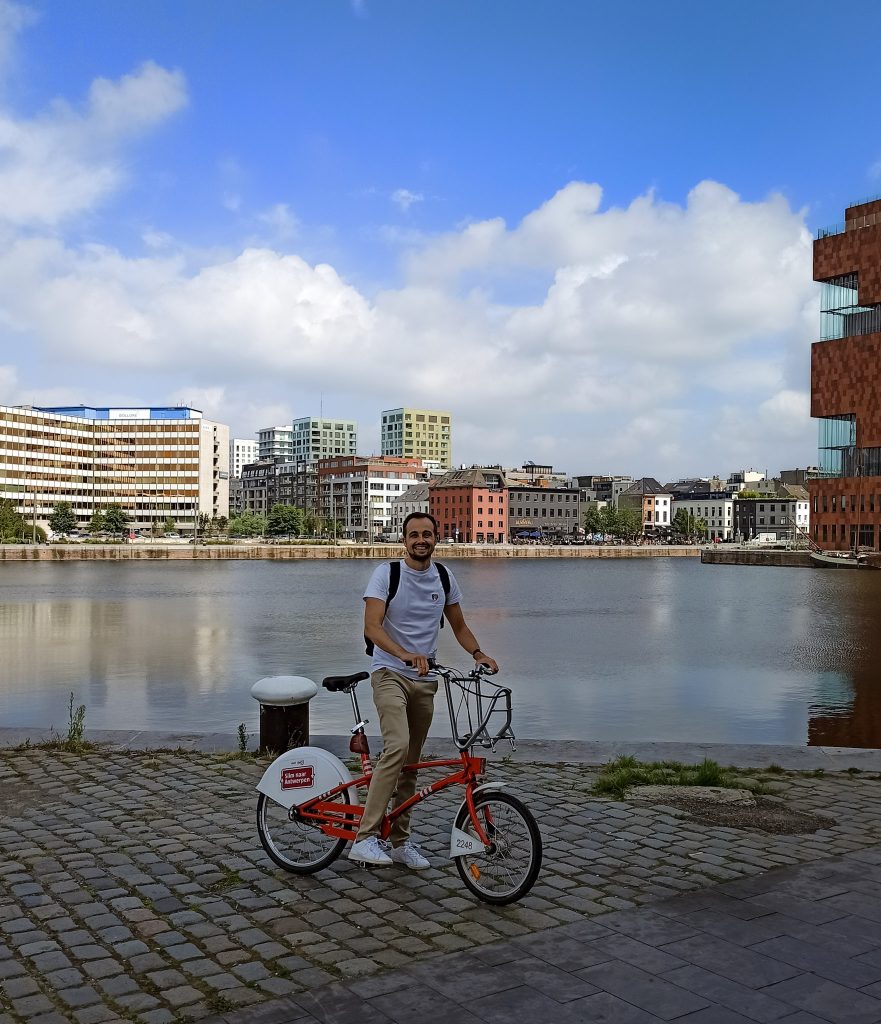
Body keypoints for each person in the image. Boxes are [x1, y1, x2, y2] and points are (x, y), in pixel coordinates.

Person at [349, 511, 498, 869]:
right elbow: (372, 626)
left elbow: (459, 626)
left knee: (411, 764)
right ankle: (365, 837)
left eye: (427, 534)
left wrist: (477, 653)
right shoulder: (387, 574)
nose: (421, 540)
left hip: (425, 680)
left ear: (436, 539)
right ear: (404, 540)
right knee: (397, 746)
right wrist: (403, 654)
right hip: (389, 672)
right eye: (414, 534)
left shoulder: (444, 577)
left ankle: (400, 843)